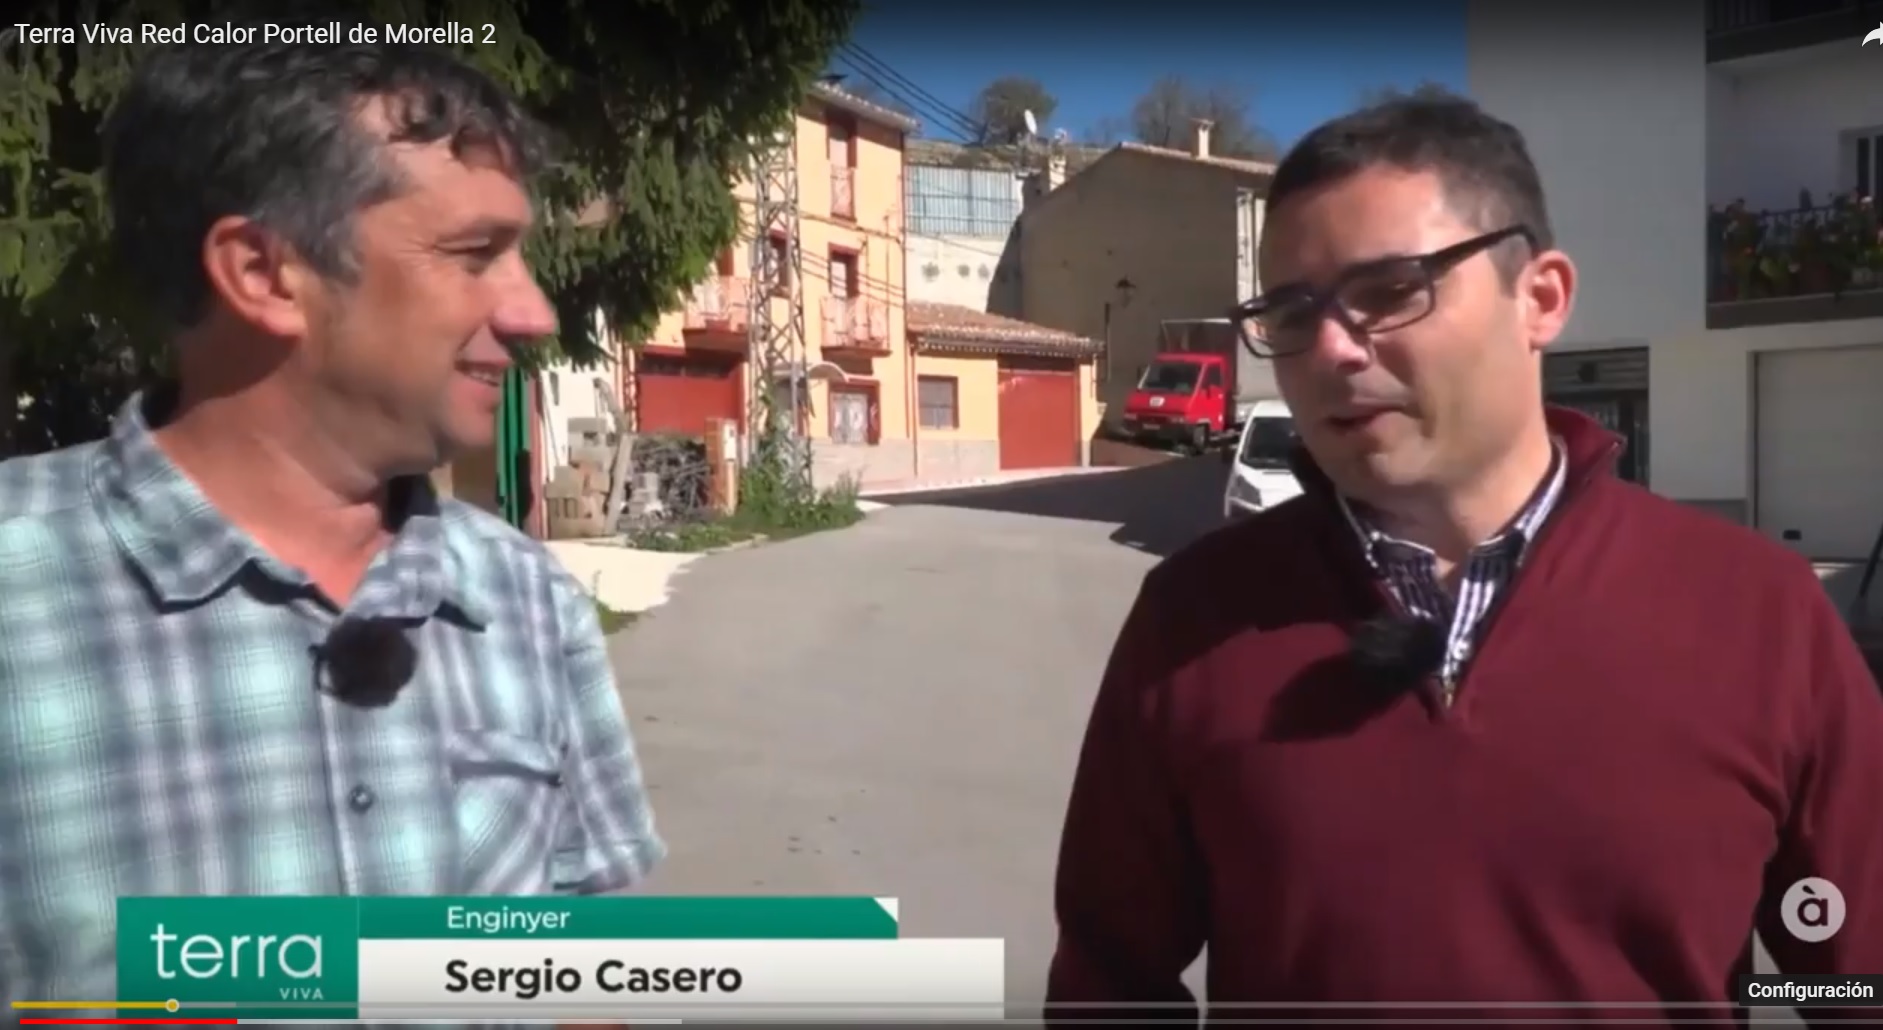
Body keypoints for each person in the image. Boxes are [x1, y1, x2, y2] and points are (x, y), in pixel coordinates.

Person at [1045, 94, 1883, 1025]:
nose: (1330, 348)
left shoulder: (1755, 611)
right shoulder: (1195, 617)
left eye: (1390, 290)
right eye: (1290, 310)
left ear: (1540, 299)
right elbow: (1108, 981)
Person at [0, 29, 664, 1011]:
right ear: (264, 273)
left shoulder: (525, 597)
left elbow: (590, 972)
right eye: (474, 253)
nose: (531, 314)